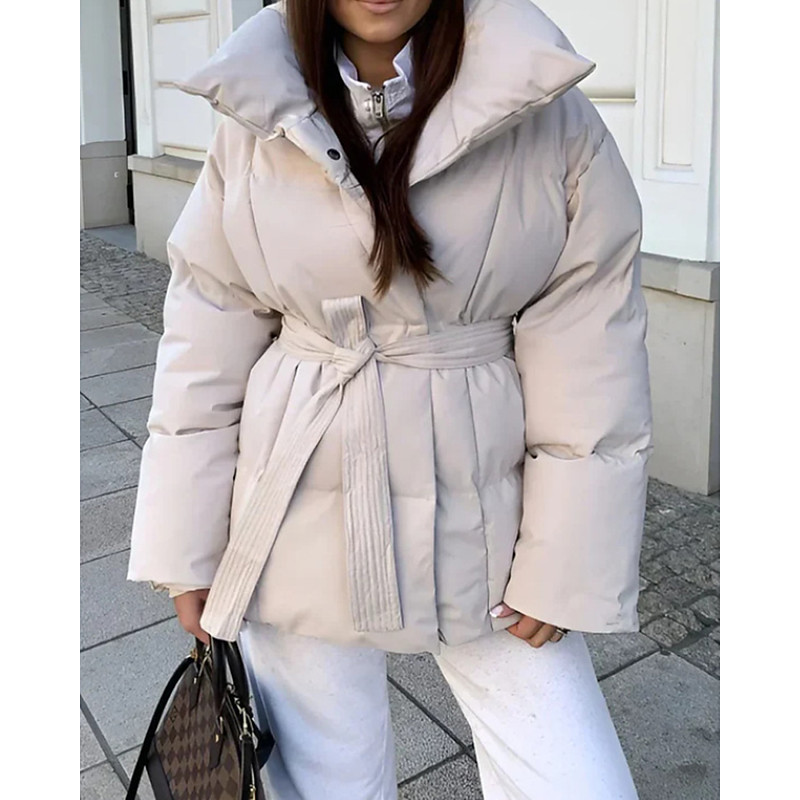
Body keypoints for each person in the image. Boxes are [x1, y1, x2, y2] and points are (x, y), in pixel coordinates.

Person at [127, 0, 653, 797]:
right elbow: (208, 326)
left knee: (576, 779)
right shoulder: (257, 104)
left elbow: (590, 339)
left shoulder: (541, 104)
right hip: (293, 496)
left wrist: (567, 560)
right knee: (323, 782)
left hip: (483, 511)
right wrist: (185, 541)